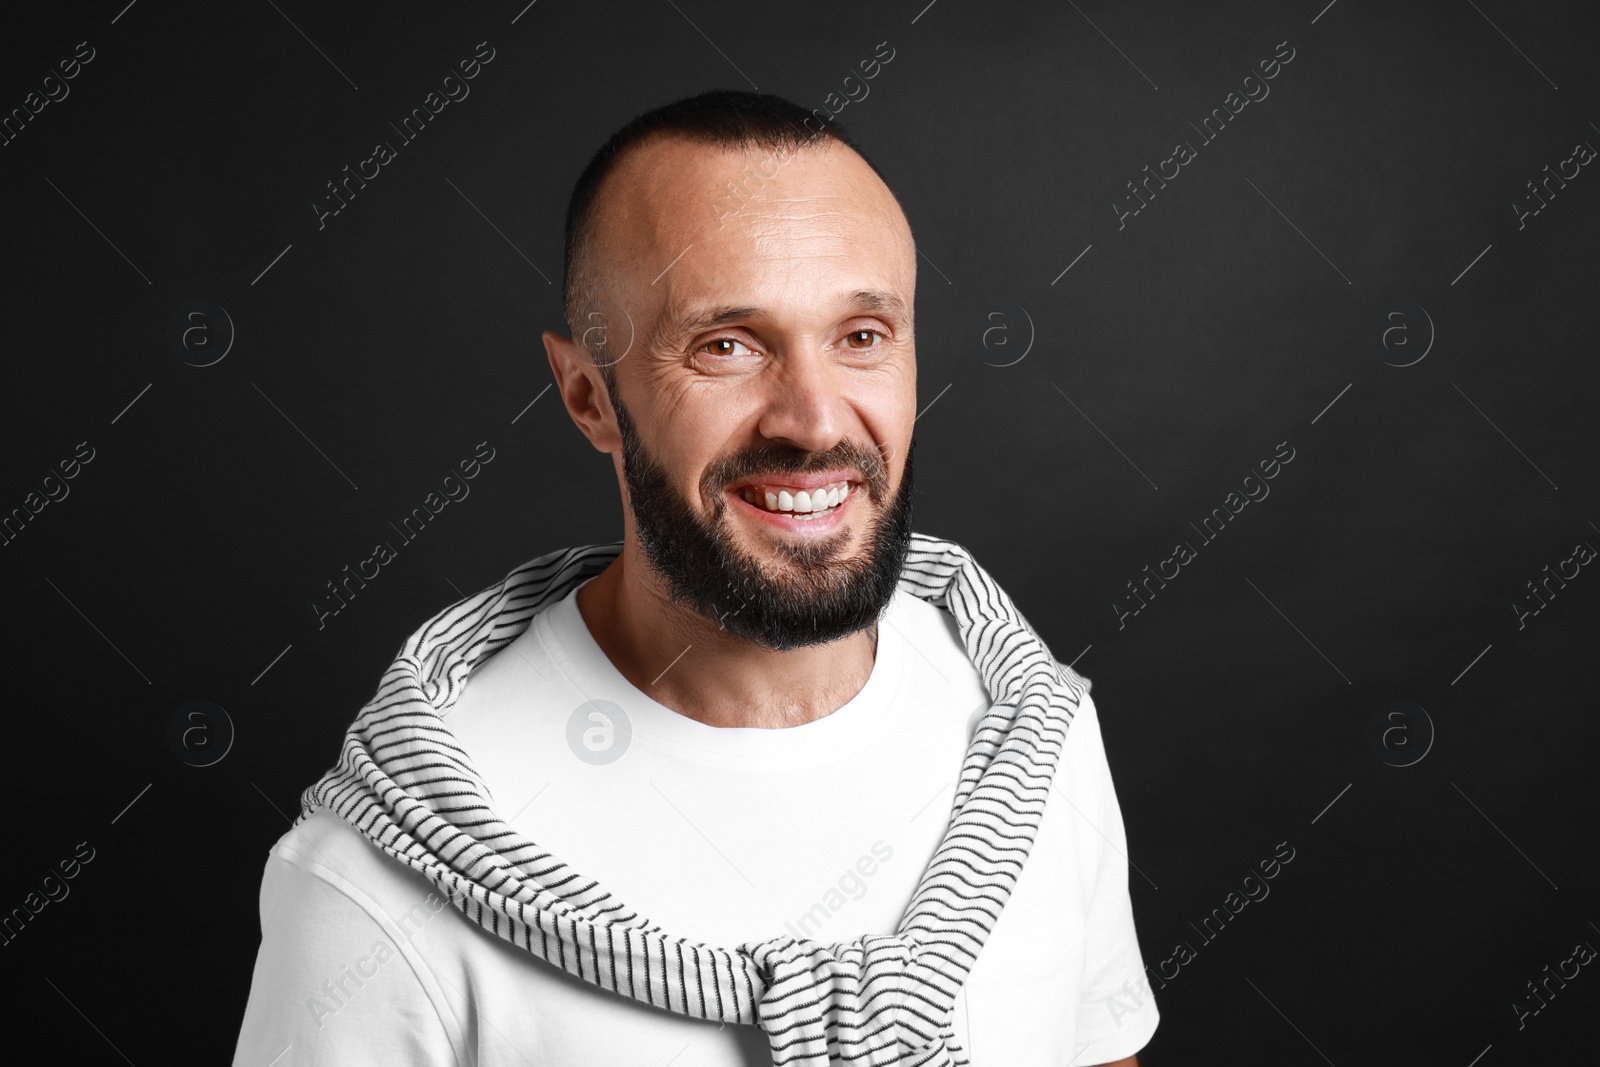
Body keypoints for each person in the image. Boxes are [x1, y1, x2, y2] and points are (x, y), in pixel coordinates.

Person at [232, 89, 1158, 1066]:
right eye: (727, 345)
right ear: (588, 394)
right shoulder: (372, 882)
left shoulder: (1035, 731)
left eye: (861, 335)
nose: (813, 419)